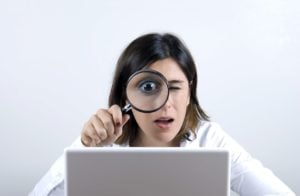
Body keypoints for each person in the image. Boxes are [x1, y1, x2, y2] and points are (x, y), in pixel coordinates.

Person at [30, 33, 295, 196]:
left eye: (175, 87)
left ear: (190, 93)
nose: (165, 104)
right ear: (125, 96)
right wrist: (85, 149)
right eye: (148, 87)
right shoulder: (103, 148)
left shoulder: (210, 140)